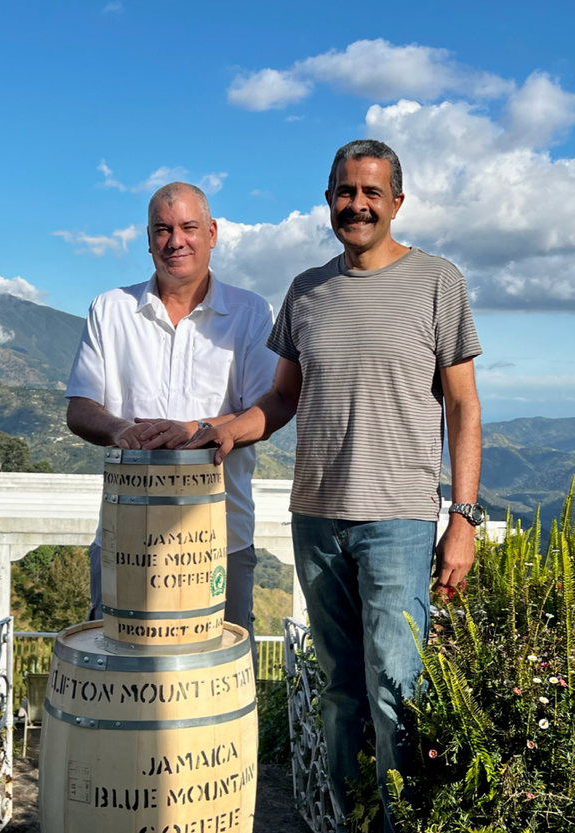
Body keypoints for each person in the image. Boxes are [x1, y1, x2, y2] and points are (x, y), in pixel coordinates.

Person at [186, 140, 484, 832]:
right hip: (316, 516)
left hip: (400, 521)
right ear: (328, 201)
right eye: (345, 192)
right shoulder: (305, 291)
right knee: (341, 694)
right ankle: (348, 820)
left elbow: (464, 406)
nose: (357, 204)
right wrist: (231, 428)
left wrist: (463, 517)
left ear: (397, 202)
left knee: (395, 691)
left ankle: (399, 822)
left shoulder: (439, 282)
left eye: (371, 193)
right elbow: (283, 398)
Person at [64, 181, 277, 655]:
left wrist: (198, 432)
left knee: (219, 669)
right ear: (147, 237)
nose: (174, 240)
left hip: (222, 538)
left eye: (188, 227)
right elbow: (80, 408)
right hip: (126, 540)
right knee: (120, 666)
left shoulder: (250, 313)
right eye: (162, 229)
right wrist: (121, 429)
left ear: (213, 233)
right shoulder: (110, 309)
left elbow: (267, 409)